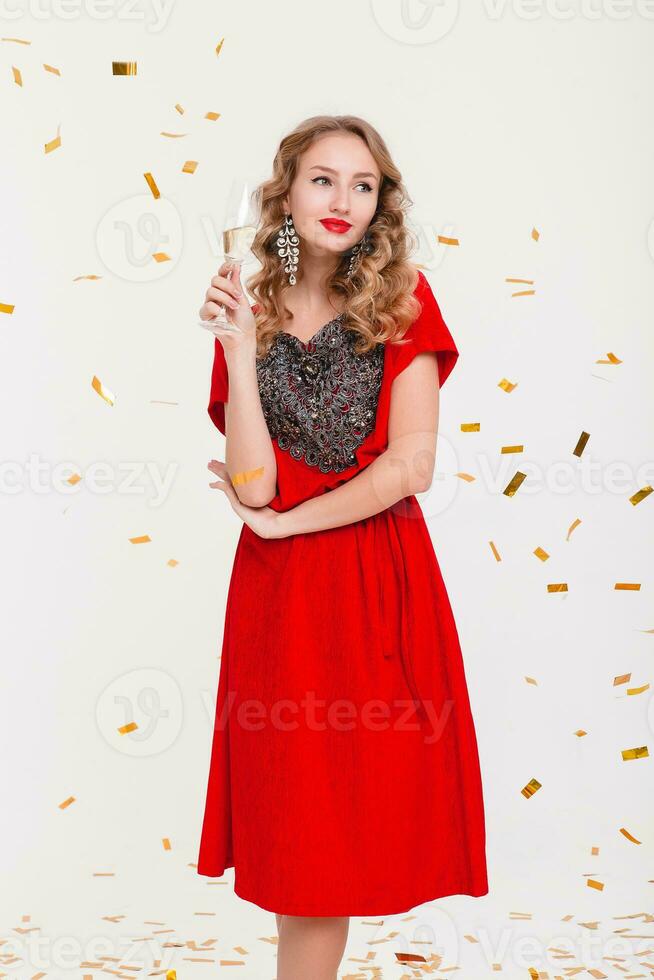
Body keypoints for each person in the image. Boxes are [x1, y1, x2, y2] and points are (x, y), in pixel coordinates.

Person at [196, 114, 488, 980]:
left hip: (377, 583)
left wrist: (289, 522)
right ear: (285, 193)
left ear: (380, 204)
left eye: (363, 186)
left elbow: (411, 467)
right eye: (323, 180)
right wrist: (239, 351)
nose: (343, 201)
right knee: (299, 841)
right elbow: (252, 486)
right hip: (281, 598)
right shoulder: (252, 305)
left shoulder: (405, 299)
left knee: (347, 830)